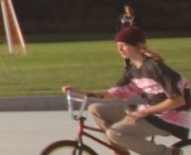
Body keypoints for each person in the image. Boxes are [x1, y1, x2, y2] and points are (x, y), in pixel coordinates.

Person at [64, 27, 189, 155]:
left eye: (123, 45)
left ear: (137, 46)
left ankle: (167, 153)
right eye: (118, 46)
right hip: (150, 113)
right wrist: (77, 92)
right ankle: (120, 152)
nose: (120, 49)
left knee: (115, 133)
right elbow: (111, 94)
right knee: (95, 109)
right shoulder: (133, 71)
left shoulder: (155, 67)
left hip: (169, 118)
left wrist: (145, 112)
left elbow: (178, 100)